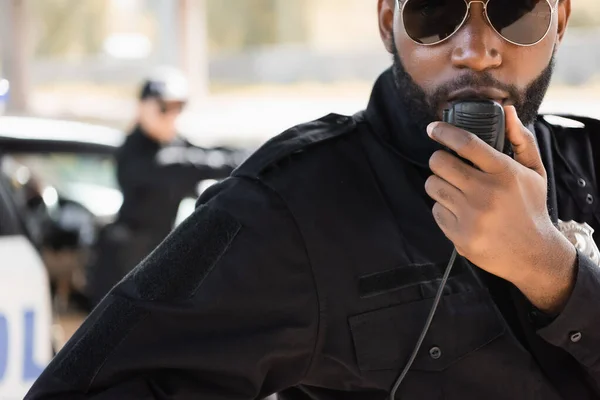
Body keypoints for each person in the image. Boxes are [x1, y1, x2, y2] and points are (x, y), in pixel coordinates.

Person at [26, 1, 600, 398]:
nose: (477, 50)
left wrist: (554, 271)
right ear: (386, 23)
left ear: (560, 23)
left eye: (517, 14)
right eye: (436, 13)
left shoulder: (592, 162)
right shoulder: (290, 203)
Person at [85, 68, 239, 307]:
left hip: (157, 260)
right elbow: (187, 164)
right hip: (124, 264)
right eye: (164, 107)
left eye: (178, 107)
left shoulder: (173, 144)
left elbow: (211, 154)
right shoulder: (135, 152)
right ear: (142, 107)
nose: (171, 115)